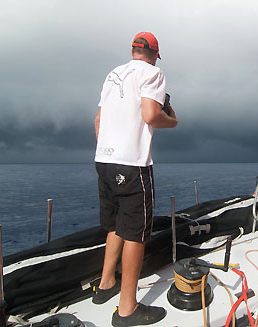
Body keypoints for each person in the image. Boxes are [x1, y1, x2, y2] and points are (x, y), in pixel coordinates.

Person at [93, 31, 177, 326]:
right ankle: (127, 309)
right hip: (132, 166)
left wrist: (109, 153)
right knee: (136, 233)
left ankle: (105, 286)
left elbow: (98, 121)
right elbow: (151, 115)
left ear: (133, 50)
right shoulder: (153, 74)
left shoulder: (113, 74)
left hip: (103, 160)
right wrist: (173, 120)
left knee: (116, 225)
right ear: (154, 54)